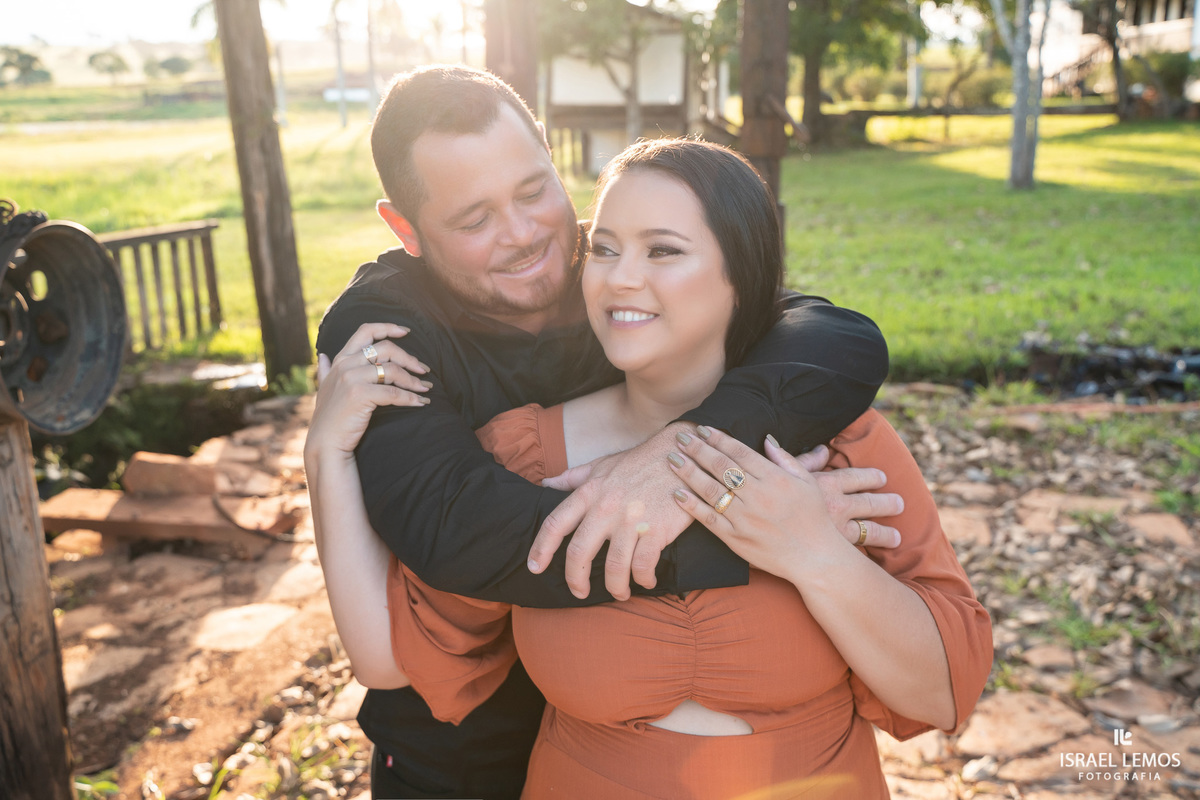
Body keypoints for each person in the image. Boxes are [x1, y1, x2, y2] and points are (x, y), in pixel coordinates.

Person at [317, 137, 993, 797]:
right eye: (604, 249)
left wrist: (813, 551)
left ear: (742, 274)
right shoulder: (526, 456)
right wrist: (326, 454)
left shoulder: (833, 449)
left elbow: (940, 694)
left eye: (663, 250)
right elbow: (388, 656)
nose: (620, 278)